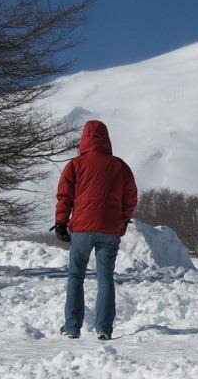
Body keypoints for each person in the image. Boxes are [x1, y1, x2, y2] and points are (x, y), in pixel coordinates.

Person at [53, 120, 137, 340]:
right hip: (110, 230)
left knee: (75, 277)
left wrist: (61, 222)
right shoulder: (120, 166)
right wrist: (124, 219)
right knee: (105, 279)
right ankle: (103, 329)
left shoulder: (75, 165)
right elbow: (131, 198)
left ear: (84, 138)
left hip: (81, 229)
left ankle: (72, 327)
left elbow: (65, 196)